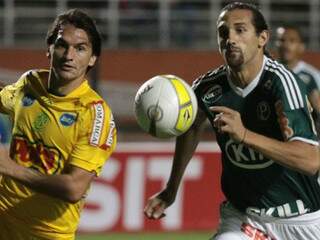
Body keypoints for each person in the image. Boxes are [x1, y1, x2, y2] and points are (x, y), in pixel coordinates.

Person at [144, 2, 320, 240]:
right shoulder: (207, 88)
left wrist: (245, 135)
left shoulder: (281, 83)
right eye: (223, 32)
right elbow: (192, 127)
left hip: (301, 219)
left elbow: (310, 160)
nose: (230, 39)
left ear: (262, 38)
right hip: (244, 217)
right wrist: (171, 188)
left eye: (240, 30)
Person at [0, 9, 117, 240]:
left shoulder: (95, 115)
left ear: (93, 58)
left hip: (45, 234)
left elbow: (74, 188)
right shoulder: (30, 83)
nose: (69, 55)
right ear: (49, 49)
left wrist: (10, 168)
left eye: (80, 48)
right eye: (62, 45)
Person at [275, 25, 320, 135]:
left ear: (301, 46)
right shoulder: (267, 71)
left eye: (292, 41)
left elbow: (318, 107)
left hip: (301, 138)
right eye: (282, 40)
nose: (286, 45)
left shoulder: (311, 75)